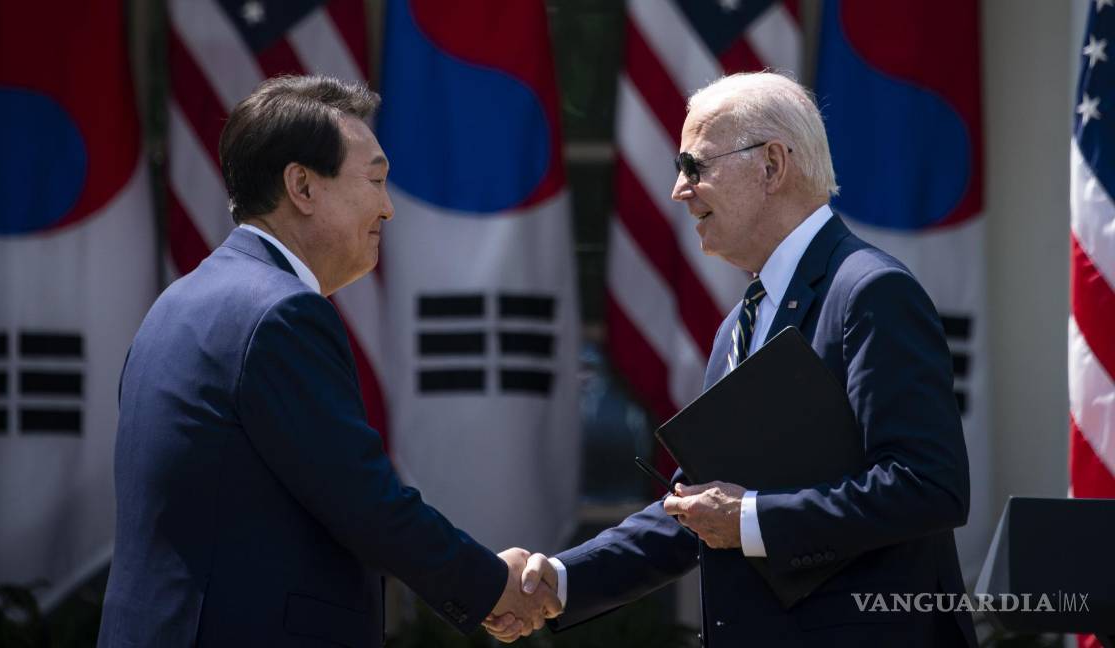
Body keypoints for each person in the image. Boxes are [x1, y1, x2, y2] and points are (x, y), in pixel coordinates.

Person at [486, 72, 975, 647]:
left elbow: (927, 484)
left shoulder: (870, 292)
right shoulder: (739, 323)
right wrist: (560, 579)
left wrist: (750, 519)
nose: (678, 189)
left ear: (771, 166)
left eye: (695, 166)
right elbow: (698, 507)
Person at [98, 75, 557, 647]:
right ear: (303, 187)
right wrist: (492, 585)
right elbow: (365, 502)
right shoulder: (281, 314)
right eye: (376, 180)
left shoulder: (180, 303)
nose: (388, 209)